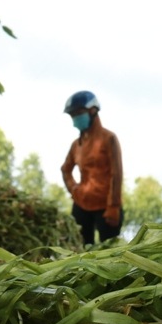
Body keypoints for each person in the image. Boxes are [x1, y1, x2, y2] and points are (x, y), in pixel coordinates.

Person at [61, 91, 124, 245]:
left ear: (93, 110)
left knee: (108, 252)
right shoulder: (76, 144)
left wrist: (113, 206)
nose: (76, 118)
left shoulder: (108, 138)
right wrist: (74, 189)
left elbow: (116, 174)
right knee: (80, 250)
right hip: (82, 205)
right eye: (73, 115)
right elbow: (65, 169)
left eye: (79, 113)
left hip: (106, 207)